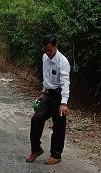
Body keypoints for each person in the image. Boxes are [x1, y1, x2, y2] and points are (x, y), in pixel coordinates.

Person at [26, 34, 70, 165]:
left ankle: (56, 155)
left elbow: (65, 83)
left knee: (59, 126)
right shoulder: (45, 57)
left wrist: (64, 103)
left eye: (50, 50)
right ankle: (36, 149)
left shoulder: (63, 62)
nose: (48, 53)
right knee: (36, 119)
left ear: (56, 46)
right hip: (47, 95)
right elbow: (46, 76)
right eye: (45, 50)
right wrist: (43, 92)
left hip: (59, 97)